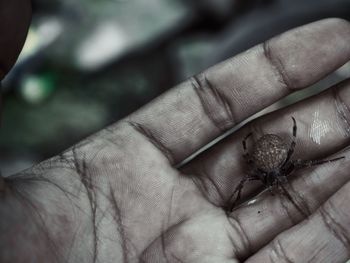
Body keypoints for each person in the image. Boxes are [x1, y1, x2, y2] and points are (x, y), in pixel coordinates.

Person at [1, 2, 350, 261]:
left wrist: (270, 146)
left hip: (267, 151)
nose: (277, 184)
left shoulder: (265, 172)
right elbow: (253, 171)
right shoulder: (265, 172)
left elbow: (257, 169)